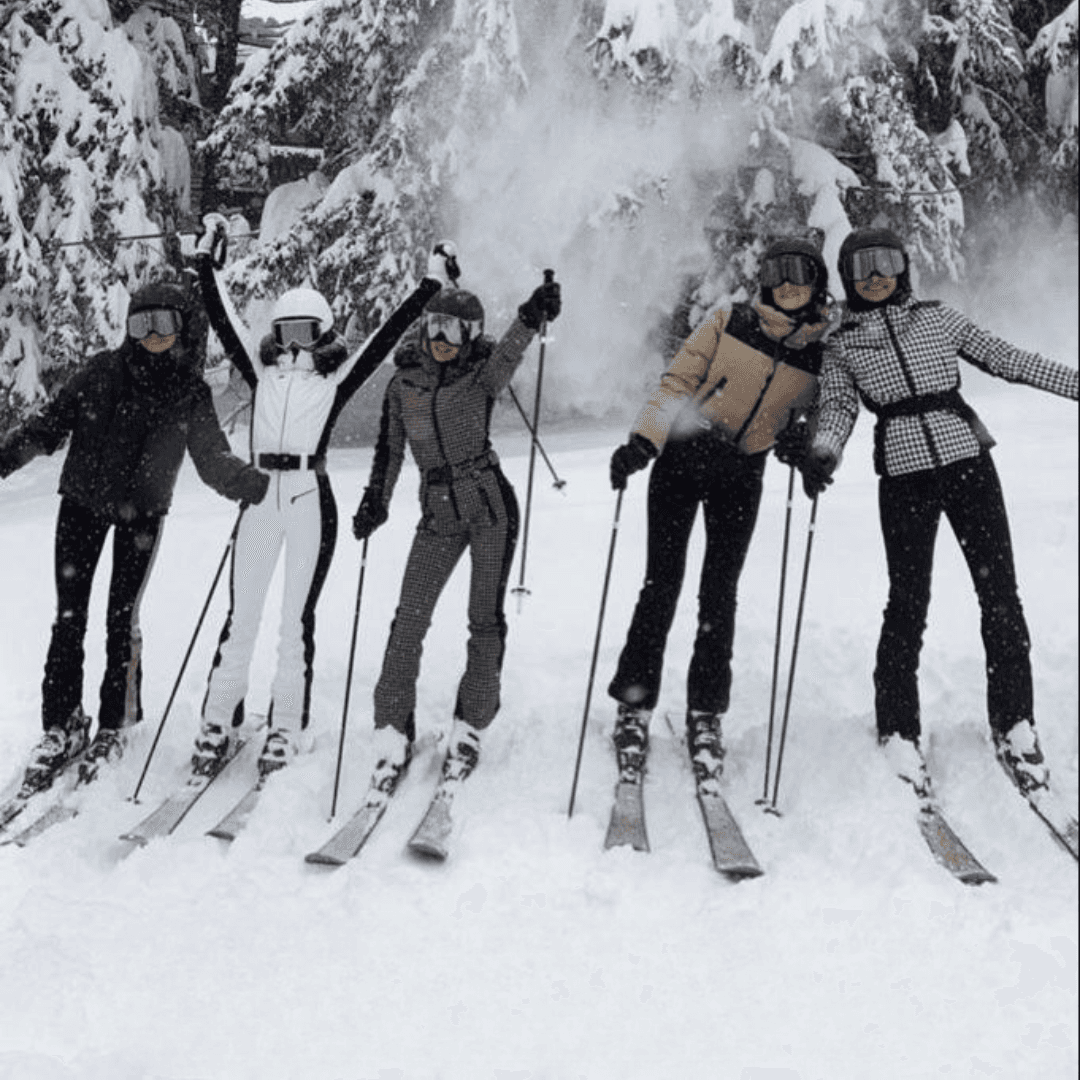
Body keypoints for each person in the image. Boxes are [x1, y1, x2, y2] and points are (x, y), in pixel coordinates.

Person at [801, 226, 1078, 797]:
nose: (875, 276)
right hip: (905, 481)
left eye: (885, 263)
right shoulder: (842, 344)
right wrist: (824, 451)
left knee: (1000, 595)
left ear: (902, 268)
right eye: (861, 267)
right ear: (848, 278)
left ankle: (1016, 722)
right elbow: (838, 407)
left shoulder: (937, 318)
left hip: (969, 466)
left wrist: (1074, 383)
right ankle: (899, 729)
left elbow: (1006, 357)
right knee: (907, 602)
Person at [192, 218, 462, 777]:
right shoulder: (261, 373)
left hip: (309, 499)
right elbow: (224, 321)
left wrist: (430, 286)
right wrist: (205, 266)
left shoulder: (333, 383)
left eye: (305, 332)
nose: (294, 344)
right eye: (285, 332)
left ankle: (286, 726)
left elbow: (384, 336)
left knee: (295, 621)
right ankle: (218, 720)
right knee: (242, 616)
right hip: (260, 497)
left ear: (323, 334)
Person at [0, 281, 269, 792]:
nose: (152, 335)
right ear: (128, 328)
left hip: (141, 517)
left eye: (163, 323)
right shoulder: (100, 372)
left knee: (120, 619)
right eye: (141, 323)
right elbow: (47, 427)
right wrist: (4, 459)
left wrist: (252, 484)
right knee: (69, 617)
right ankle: (62, 724)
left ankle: (114, 723)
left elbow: (211, 458)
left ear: (181, 328)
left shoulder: (189, 391)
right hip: (81, 505)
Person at [606, 236, 832, 789]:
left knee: (719, 594)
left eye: (799, 274)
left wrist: (807, 452)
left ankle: (705, 713)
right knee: (661, 584)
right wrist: (644, 441)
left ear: (817, 285)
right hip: (684, 457)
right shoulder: (729, 321)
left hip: (742, 474)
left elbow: (820, 417)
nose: (787, 285)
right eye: (777, 273)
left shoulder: (821, 352)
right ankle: (634, 705)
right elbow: (678, 381)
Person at [351, 272, 561, 795]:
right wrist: (375, 500)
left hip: (489, 507)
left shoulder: (481, 377)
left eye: (455, 330)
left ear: (471, 335)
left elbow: (510, 351)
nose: (443, 339)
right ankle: (392, 730)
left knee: (483, 620)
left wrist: (531, 314)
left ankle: (471, 725)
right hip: (437, 516)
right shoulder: (404, 384)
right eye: (435, 326)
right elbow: (390, 450)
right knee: (408, 621)